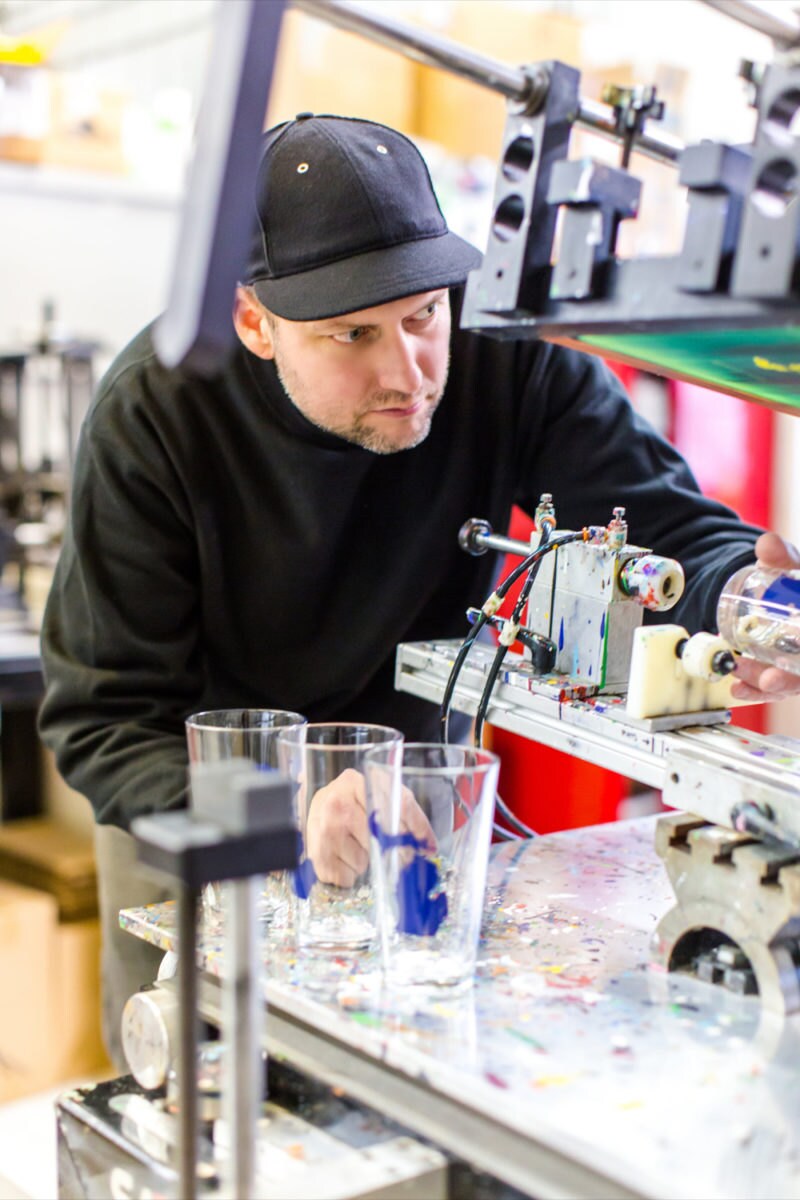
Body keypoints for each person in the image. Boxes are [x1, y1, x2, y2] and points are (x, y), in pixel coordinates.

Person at [38, 113, 800, 1065]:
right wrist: (284, 807)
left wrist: (753, 606)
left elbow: (666, 526)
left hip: (408, 782)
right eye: (351, 333)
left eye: (422, 315)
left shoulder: (504, 358)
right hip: (206, 800)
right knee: (203, 1093)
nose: (407, 372)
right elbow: (104, 721)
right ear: (254, 322)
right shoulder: (156, 411)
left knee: (410, 1076)